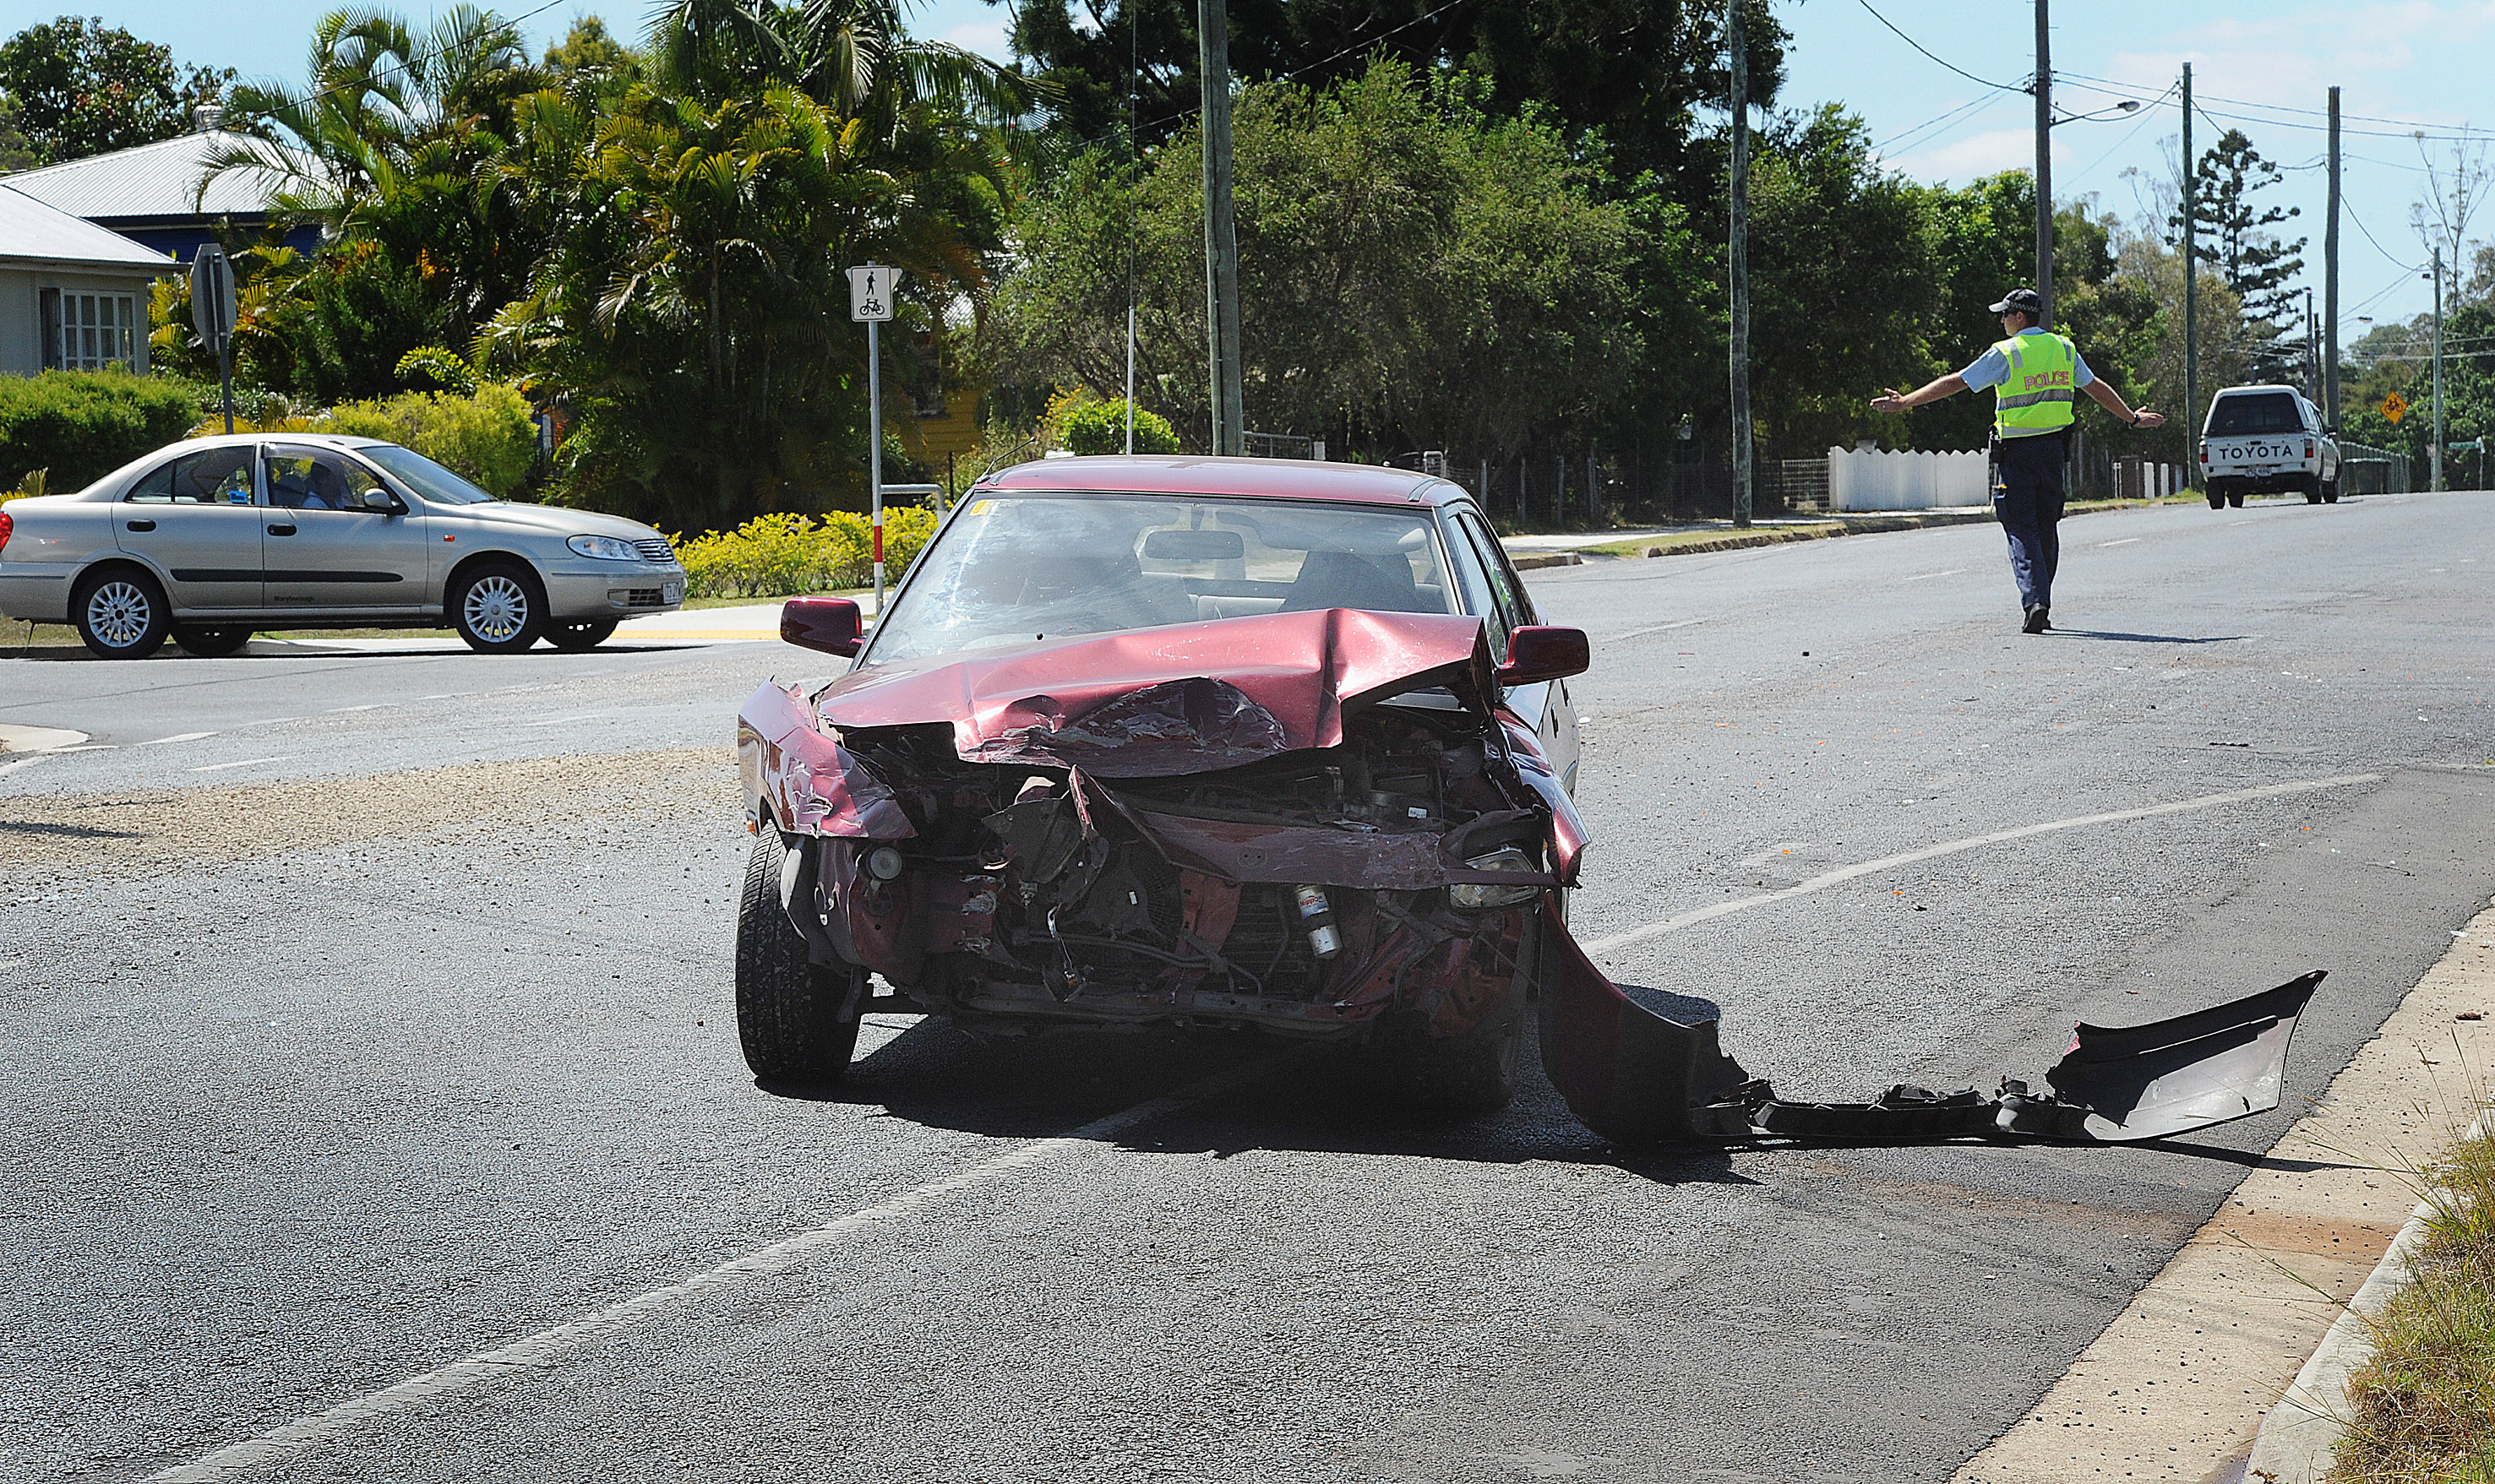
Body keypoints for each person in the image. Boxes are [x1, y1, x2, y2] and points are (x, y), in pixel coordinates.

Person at [1869, 288, 2165, 633]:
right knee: (2046, 527)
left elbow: (1957, 382)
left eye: (2005, 314)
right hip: (2054, 452)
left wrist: (1906, 403)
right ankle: (2042, 596)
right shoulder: (2064, 349)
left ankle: (2035, 601)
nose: (2002, 320)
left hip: (2017, 454)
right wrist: (2131, 418)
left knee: (2020, 527)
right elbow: (2095, 386)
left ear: (2020, 317)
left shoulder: (2006, 353)